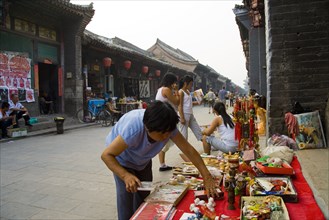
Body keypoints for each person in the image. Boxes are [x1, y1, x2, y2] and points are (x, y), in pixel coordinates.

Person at [101, 101, 218, 220]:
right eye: (162, 134)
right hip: (122, 161)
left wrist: (206, 176)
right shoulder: (134, 129)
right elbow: (107, 155)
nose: (166, 137)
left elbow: (189, 150)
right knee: (126, 203)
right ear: (148, 128)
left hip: (143, 161)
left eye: (168, 133)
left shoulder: (167, 127)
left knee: (144, 199)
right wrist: (125, 175)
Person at [155, 72, 180, 171]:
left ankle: (162, 164)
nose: (175, 84)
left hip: (165, 117)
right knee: (166, 141)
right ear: (172, 82)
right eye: (175, 82)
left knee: (166, 141)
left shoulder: (160, 89)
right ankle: (162, 164)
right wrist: (177, 90)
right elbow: (177, 101)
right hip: (166, 119)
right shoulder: (166, 90)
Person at [178, 75, 203, 162]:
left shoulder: (188, 92)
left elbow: (189, 103)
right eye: (191, 84)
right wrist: (182, 117)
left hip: (190, 115)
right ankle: (185, 155)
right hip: (184, 115)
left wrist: (198, 102)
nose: (191, 86)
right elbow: (180, 105)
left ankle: (207, 145)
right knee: (184, 137)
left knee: (199, 132)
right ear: (185, 83)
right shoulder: (181, 92)